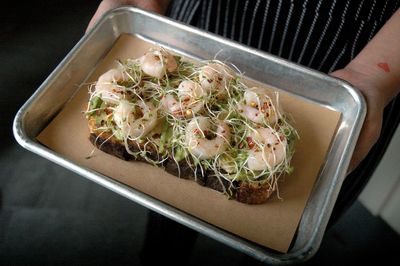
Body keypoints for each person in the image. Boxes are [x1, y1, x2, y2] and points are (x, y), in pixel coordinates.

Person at [87, 0, 400, 263]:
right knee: (166, 215)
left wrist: (370, 77)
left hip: (353, 49)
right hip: (211, 20)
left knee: (278, 237)